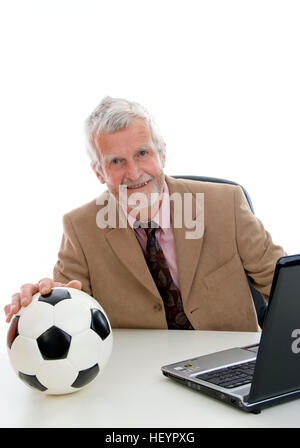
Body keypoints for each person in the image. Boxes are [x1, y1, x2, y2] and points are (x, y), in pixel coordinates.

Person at [4, 96, 286, 331]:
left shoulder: (225, 204)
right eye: (116, 161)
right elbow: (68, 310)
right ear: (99, 172)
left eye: (142, 154)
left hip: (228, 367)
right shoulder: (80, 228)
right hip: (139, 377)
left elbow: (285, 288)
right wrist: (41, 306)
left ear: (162, 154)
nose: (134, 173)